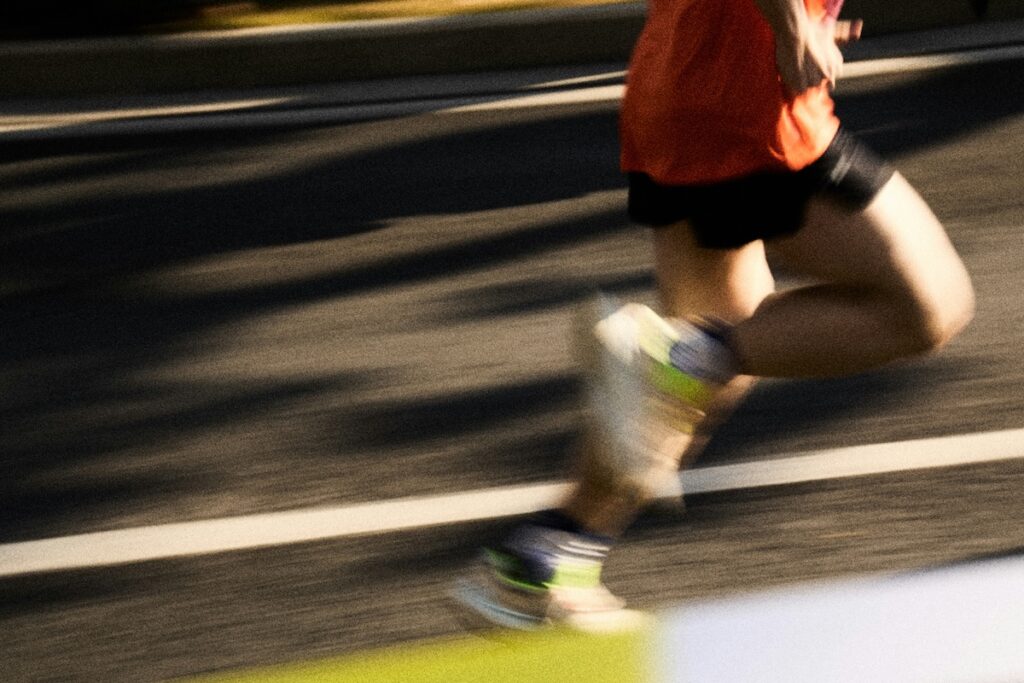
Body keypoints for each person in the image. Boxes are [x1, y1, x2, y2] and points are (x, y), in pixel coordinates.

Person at [453, 0, 975, 630]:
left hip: (681, 81)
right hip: (750, 107)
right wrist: (789, 28)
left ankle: (544, 559)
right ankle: (669, 358)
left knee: (704, 358)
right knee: (928, 305)